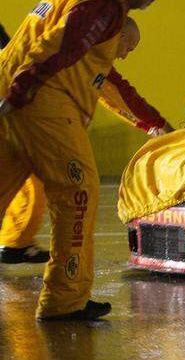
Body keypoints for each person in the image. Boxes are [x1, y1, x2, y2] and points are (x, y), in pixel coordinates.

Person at [0, 0, 178, 321]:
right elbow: (57, 47)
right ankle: (65, 300)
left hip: (14, 92)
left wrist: (153, 123)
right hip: (38, 101)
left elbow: (105, 80)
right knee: (78, 190)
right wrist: (22, 90)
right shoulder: (107, 3)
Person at [0, 17, 170, 266]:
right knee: (74, 187)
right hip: (21, 114)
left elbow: (113, 95)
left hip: (19, 115)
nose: (124, 56)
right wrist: (158, 124)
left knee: (31, 179)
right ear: (119, 37)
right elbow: (119, 93)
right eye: (128, 48)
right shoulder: (89, 53)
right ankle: (43, 257)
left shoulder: (82, 46)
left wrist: (151, 124)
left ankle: (16, 243)